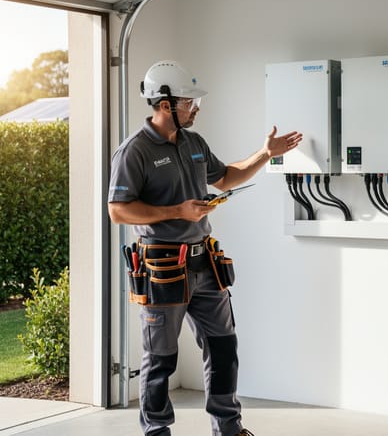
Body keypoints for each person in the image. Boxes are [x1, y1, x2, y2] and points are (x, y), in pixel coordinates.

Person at [108, 60, 302, 436]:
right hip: (162, 267)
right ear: (166, 104)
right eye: (189, 103)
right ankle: (156, 431)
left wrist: (265, 153)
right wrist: (176, 211)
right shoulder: (134, 151)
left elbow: (226, 177)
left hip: (204, 264)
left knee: (223, 347)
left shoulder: (193, 142)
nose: (196, 109)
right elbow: (118, 211)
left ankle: (228, 428)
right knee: (161, 359)